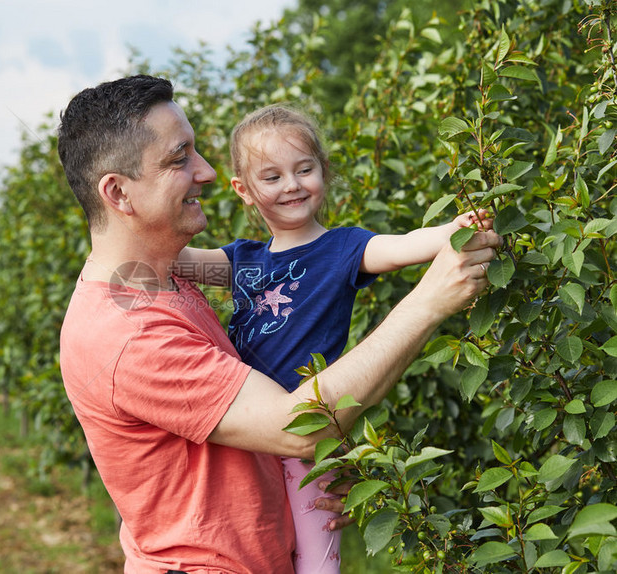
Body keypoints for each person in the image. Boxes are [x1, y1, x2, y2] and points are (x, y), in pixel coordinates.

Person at [57, 75, 501, 574]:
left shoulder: (165, 279)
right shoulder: (129, 334)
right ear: (117, 192)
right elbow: (296, 429)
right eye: (179, 158)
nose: (204, 172)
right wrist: (429, 302)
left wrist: (314, 470)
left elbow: (257, 425)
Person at [176, 104, 494, 574]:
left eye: (304, 169)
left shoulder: (344, 247)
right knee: (254, 549)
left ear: (322, 171)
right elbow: (172, 257)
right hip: (248, 430)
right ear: (243, 191)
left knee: (315, 558)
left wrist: (453, 231)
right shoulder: (240, 260)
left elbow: (403, 244)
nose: (291, 185)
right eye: (272, 176)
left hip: (307, 431)